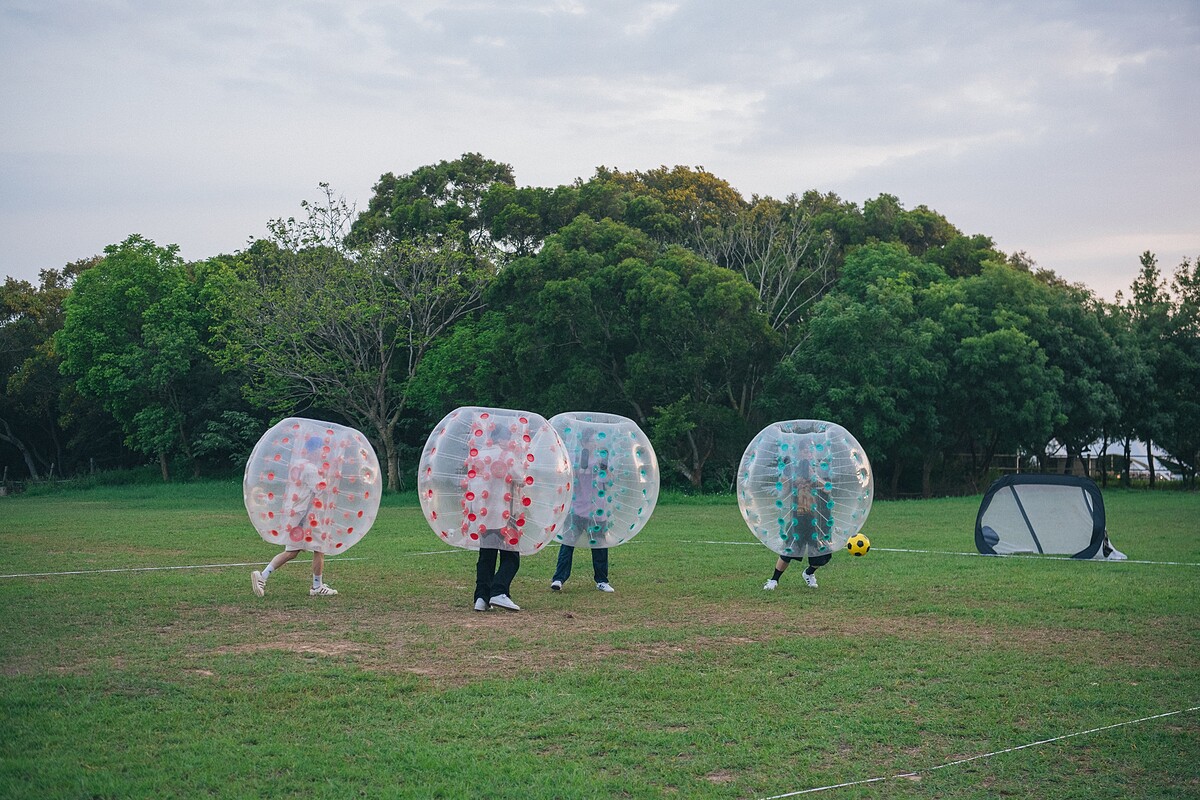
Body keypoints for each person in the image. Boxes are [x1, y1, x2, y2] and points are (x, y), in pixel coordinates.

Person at [251, 435, 338, 597]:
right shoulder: (310, 469)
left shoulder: (297, 465)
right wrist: (331, 478)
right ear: (314, 450)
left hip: (294, 515)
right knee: (319, 548)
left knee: (292, 552)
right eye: (320, 450)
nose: (322, 454)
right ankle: (317, 587)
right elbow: (321, 489)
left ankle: (262, 576)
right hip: (305, 516)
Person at [761, 433, 834, 590]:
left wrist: (815, 478)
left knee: (822, 556)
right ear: (800, 452)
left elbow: (828, 489)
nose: (810, 453)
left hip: (818, 518)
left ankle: (809, 573)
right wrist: (791, 481)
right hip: (799, 517)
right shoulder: (792, 470)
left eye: (812, 450)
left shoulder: (822, 469)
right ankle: (774, 580)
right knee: (789, 550)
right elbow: (783, 492)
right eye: (807, 451)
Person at [471, 420, 523, 612]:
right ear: (500, 438)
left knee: (487, 556)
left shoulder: (480, 455)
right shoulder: (507, 456)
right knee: (511, 558)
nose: (509, 441)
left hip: (484, 516)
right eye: (507, 437)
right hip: (505, 515)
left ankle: (481, 597)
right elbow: (521, 479)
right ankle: (499, 592)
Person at [551, 444, 614, 593]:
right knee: (567, 545)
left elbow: (610, 481)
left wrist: (604, 468)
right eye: (590, 441)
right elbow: (567, 476)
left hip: (597, 512)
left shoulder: (602, 461)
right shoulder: (576, 459)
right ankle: (559, 578)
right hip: (577, 510)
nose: (593, 445)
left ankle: (602, 580)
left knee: (599, 548)